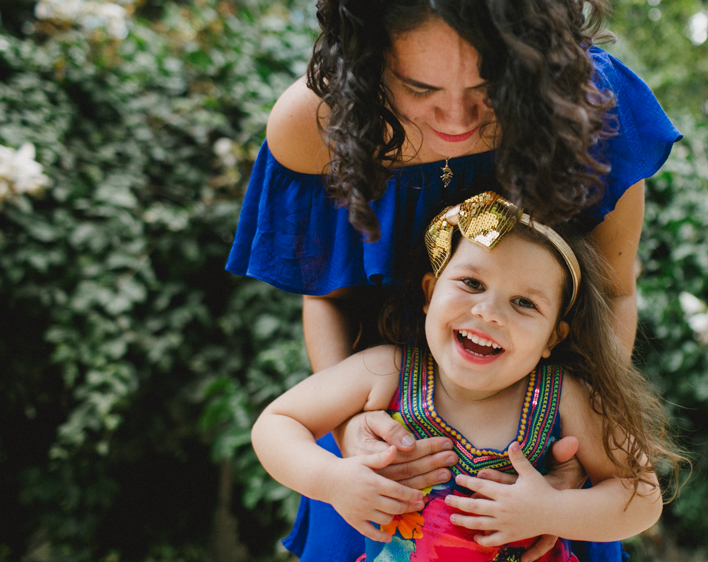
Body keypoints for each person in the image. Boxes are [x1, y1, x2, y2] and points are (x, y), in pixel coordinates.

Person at [225, 0, 681, 560]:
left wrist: (566, 484)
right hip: (383, 473)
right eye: (419, 89)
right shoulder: (313, 125)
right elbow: (329, 300)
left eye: (490, 86)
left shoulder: (594, 106)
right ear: (369, 64)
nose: (458, 121)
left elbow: (610, 293)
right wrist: (353, 440)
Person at [251, 192, 679, 562]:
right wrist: (333, 480)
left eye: (524, 303)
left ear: (554, 336)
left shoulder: (563, 397)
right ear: (428, 293)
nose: (488, 312)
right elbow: (276, 424)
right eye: (471, 282)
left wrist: (551, 510)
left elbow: (642, 497)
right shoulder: (386, 370)